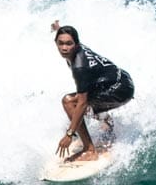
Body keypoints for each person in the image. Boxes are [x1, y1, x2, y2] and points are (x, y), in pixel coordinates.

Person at [51, 20, 134, 162]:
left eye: (68, 44)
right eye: (60, 43)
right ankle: (106, 121)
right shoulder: (76, 47)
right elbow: (64, 36)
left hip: (120, 89)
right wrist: (59, 28)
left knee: (70, 102)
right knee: (84, 102)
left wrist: (69, 134)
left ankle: (89, 150)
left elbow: (82, 103)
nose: (64, 48)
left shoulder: (80, 67)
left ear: (76, 44)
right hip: (120, 79)